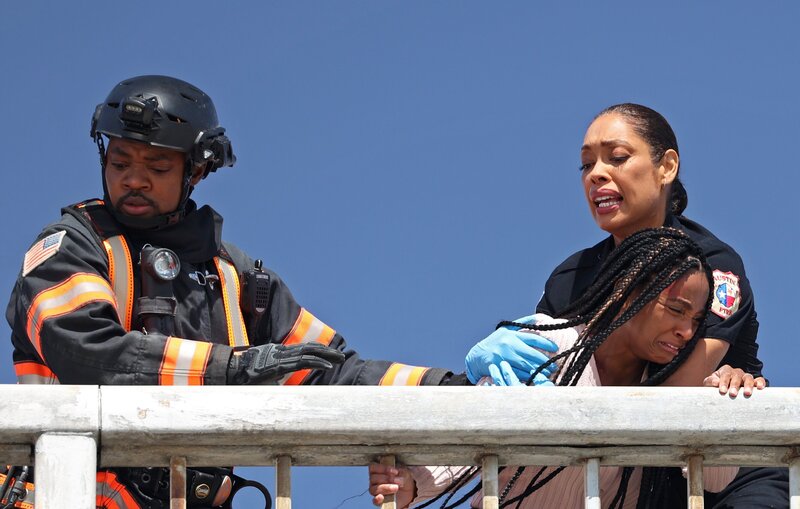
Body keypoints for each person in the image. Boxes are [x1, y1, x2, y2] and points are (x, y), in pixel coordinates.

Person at [4, 75, 460, 508]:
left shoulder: (235, 278)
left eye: (157, 167)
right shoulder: (72, 245)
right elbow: (87, 352)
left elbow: (329, 369)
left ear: (198, 170)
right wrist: (234, 368)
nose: (134, 179)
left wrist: (449, 389)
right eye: (120, 163)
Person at [463, 103, 787, 507]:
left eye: (617, 157)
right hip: (630, 482)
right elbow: (541, 373)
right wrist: (486, 370)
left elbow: (666, 399)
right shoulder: (571, 279)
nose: (596, 174)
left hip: (731, 477)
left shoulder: (711, 267)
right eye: (586, 165)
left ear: (666, 167)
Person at [369, 228, 739, 508]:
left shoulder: (661, 388)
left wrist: (726, 398)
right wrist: (414, 484)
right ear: (628, 291)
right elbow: (479, 430)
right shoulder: (553, 345)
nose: (687, 331)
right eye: (676, 309)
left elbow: (718, 478)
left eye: (696, 320)